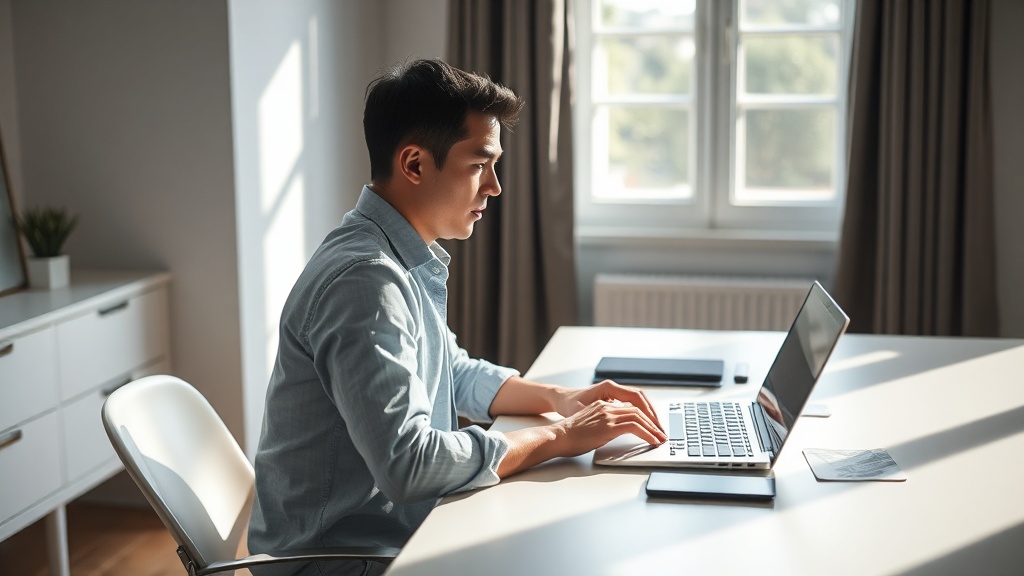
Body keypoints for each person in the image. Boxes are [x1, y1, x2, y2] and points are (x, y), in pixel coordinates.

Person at [248, 58, 666, 576]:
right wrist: (559, 438)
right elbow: (410, 464)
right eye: (479, 164)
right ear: (416, 165)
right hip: (339, 561)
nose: (494, 186)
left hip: (383, 537)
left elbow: (452, 369)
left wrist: (564, 400)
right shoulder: (365, 281)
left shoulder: (392, 257)